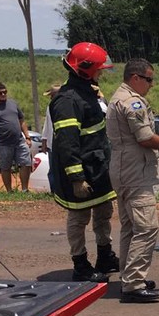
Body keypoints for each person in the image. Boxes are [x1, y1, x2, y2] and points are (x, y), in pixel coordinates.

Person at [106, 59, 159, 304]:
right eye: (148, 79)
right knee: (147, 227)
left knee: (131, 227)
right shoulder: (132, 102)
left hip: (123, 168)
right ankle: (134, 284)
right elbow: (145, 138)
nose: (152, 84)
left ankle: (130, 278)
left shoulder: (118, 97)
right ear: (135, 78)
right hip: (134, 172)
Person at [49, 43, 119, 283]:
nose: (101, 73)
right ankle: (81, 265)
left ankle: (105, 256)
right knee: (79, 219)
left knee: (104, 213)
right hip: (81, 173)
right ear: (85, 69)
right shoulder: (68, 101)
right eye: (98, 69)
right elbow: (68, 144)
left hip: (98, 168)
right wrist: (77, 179)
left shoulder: (86, 93)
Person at [0, 81, 33, 192]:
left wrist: (27, 137)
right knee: (6, 167)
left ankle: (25, 189)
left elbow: (21, 121)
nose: (3, 95)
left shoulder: (13, 104)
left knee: (26, 163)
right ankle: (9, 190)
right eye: (0, 93)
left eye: (5, 92)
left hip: (19, 140)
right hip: (2, 143)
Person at [41, 84, 61, 154]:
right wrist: (44, 141)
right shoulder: (49, 107)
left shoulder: (65, 107)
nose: (50, 98)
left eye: (52, 95)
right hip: (51, 145)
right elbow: (47, 125)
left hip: (61, 145)